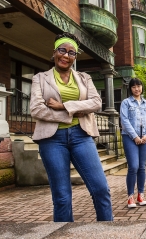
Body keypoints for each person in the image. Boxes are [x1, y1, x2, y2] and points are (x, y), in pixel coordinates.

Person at [30, 32, 113, 222]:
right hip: (52, 140)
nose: (66, 56)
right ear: (54, 52)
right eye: (62, 50)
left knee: (101, 189)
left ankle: (108, 232)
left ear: (75, 57)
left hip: (81, 136)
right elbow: (36, 109)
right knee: (62, 197)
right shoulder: (40, 78)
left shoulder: (84, 78)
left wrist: (63, 106)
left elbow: (96, 103)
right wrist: (73, 113)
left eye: (71, 53)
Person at [120, 78, 146, 208]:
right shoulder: (126, 103)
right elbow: (124, 120)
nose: (137, 89)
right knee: (133, 166)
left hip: (145, 138)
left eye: (139, 86)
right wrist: (135, 136)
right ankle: (130, 196)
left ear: (142, 87)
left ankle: (141, 194)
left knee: (142, 166)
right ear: (130, 88)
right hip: (130, 138)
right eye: (134, 86)